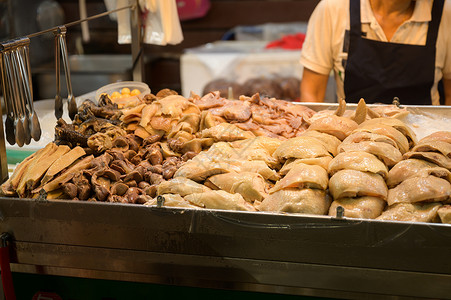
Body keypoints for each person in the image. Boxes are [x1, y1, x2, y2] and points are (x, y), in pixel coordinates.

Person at [299, 0, 451, 105]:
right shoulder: (333, 9)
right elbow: (312, 92)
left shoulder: (446, 13)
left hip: (423, 139)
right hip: (352, 141)